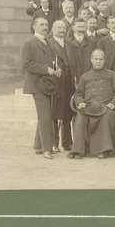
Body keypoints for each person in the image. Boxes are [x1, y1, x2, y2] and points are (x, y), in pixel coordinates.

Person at [71, 49, 115, 159]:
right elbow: (78, 93)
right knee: (80, 116)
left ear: (104, 60)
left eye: (100, 59)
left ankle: (104, 150)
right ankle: (79, 150)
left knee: (107, 116)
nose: (98, 62)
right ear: (91, 60)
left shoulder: (112, 75)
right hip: (89, 106)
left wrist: (113, 104)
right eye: (96, 59)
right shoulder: (85, 76)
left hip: (106, 106)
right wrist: (80, 102)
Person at [21, 17, 60, 159]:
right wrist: (46, 69)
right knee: (45, 116)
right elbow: (26, 64)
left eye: (46, 24)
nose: (45, 27)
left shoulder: (48, 41)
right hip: (37, 84)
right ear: (34, 26)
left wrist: (56, 69)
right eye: (41, 24)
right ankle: (46, 149)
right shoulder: (29, 43)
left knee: (46, 114)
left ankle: (38, 146)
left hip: (48, 83)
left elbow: (52, 61)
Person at [47, 20, 75, 154]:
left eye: (63, 27)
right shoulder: (48, 44)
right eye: (58, 27)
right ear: (52, 29)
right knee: (54, 113)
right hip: (56, 83)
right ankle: (53, 143)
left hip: (69, 83)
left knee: (67, 113)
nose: (62, 30)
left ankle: (67, 143)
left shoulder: (70, 44)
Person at [65, 17, 95, 83]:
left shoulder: (92, 43)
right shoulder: (67, 43)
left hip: (89, 79)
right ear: (73, 28)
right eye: (78, 27)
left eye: (83, 27)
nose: (81, 29)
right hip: (72, 79)